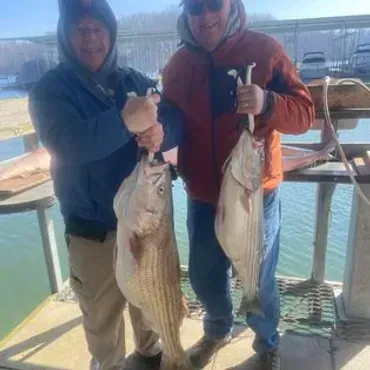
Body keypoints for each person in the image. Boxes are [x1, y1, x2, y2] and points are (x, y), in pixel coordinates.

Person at [28, 1, 183, 369]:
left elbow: (175, 119)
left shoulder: (133, 80)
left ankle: (152, 352)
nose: (91, 38)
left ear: (111, 34)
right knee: (102, 321)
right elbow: (66, 143)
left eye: (99, 29)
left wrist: (162, 131)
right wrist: (125, 123)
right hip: (92, 232)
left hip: (147, 227)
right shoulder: (50, 90)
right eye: (80, 29)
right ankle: (108, 363)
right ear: (66, 35)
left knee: (148, 307)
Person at [162, 0, 315, 369]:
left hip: (254, 193)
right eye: (194, 8)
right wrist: (156, 128)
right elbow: (171, 122)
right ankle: (217, 330)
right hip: (201, 194)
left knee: (258, 278)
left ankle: (266, 343)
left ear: (231, 5)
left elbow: (304, 114)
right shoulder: (177, 66)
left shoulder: (266, 51)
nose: (204, 16)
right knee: (203, 275)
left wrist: (267, 103)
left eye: (213, 4)